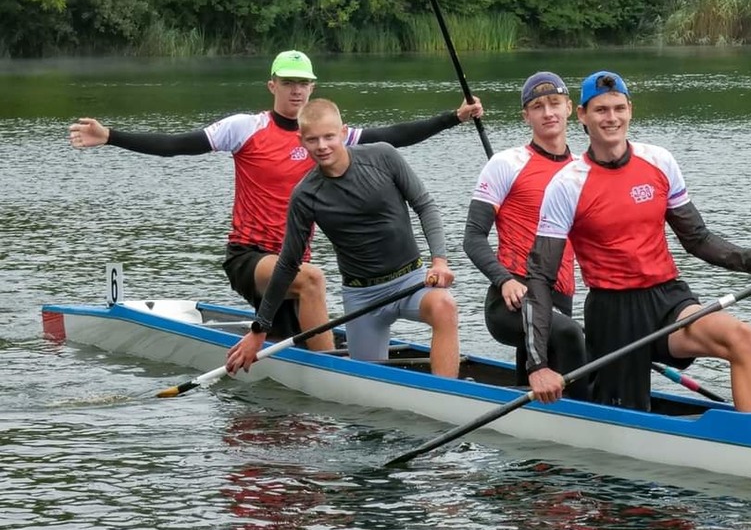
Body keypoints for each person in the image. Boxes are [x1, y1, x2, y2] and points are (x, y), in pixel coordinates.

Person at [69, 50, 482, 352]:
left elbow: (396, 135)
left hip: (288, 260)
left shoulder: (327, 135)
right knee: (313, 278)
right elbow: (177, 144)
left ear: (312, 89)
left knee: (304, 287)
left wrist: (453, 118)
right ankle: (330, 372)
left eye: (303, 83)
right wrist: (111, 137)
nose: (296, 90)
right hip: (249, 257)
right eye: (288, 83)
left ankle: (309, 353)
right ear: (273, 86)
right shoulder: (245, 128)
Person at [523, 70, 751, 411]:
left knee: (740, 336)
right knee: (627, 412)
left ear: (630, 110)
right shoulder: (566, 184)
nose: (612, 118)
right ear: (582, 115)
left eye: (619, 108)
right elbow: (540, 277)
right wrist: (538, 366)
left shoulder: (659, 161)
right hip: (613, 312)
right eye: (601, 110)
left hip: (668, 299)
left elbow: (698, 239)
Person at [225, 98, 459, 376]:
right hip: (362, 298)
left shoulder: (383, 156)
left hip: (412, 280)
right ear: (301, 140)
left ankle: (443, 395)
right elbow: (288, 264)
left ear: (344, 133)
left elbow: (425, 205)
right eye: (312, 140)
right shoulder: (305, 195)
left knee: (444, 305)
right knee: (369, 385)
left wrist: (440, 261)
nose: (322, 146)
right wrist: (259, 329)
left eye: (329, 137)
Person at [463, 72, 588, 399]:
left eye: (554, 103)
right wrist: (504, 280)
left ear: (569, 108)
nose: (548, 112)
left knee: (546, 376)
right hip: (512, 298)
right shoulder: (506, 164)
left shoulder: (584, 169)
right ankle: (594, 419)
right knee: (573, 337)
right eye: (537, 106)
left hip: (560, 298)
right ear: (526, 116)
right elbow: (473, 237)